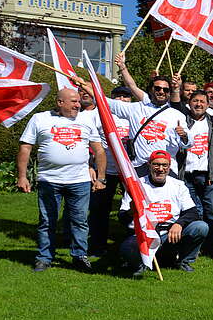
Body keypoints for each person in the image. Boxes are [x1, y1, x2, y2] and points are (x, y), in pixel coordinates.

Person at [17, 87, 106, 272]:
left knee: (80, 221)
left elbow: (99, 150)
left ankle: (80, 256)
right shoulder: (40, 119)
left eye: (78, 101)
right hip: (49, 180)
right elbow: (25, 148)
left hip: (79, 181)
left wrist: (101, 178)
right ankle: (44, 258)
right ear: (60, 103)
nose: (78, 104)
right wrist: (23, 176)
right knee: (47, 220)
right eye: (73, 101)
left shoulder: (86, 119)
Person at [119, 149, 208, 277]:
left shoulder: (178, 185)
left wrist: (179, 224)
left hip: (170, 235)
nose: (160, 169)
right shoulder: (136, 186)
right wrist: (130, 212)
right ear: (149, 165)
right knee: (127, 248)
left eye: (164, 165)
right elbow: (122, 218)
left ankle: (183, 261)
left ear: (169, 167)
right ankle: (140, 265)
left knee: (201, 227)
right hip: (145, 236)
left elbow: (193, 212)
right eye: (156, 164)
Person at [175, 90, 213, 257]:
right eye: (195, 101)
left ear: (207, 105)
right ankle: (195, 247)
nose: (198, 104)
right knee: (192, 211)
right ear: (189, 103)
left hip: (209, 175)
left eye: (202, 101)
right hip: (186, 175)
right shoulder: (182, 121)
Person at [110, 54, 188, 176]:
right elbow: (105, 100)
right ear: (151, 90)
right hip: (139, 167)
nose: (161, 91)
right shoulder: (137, 107)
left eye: (165, 90)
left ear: (169, 93)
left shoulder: (177, 115)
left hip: (166, 168)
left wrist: (184, 136)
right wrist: (86, 86)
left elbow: (189, 142)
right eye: (157, 88)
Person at [83, 85, 133, 256]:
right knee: (99, 210)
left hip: (129, 171)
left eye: (126, 97)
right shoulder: (98, 115)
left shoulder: (133, 115)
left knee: (135, 208)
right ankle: (97, 245)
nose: (122, 100)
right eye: (118, 97)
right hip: (106, 170)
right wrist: (90, 165)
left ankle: (132, 243)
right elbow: (85, 140)